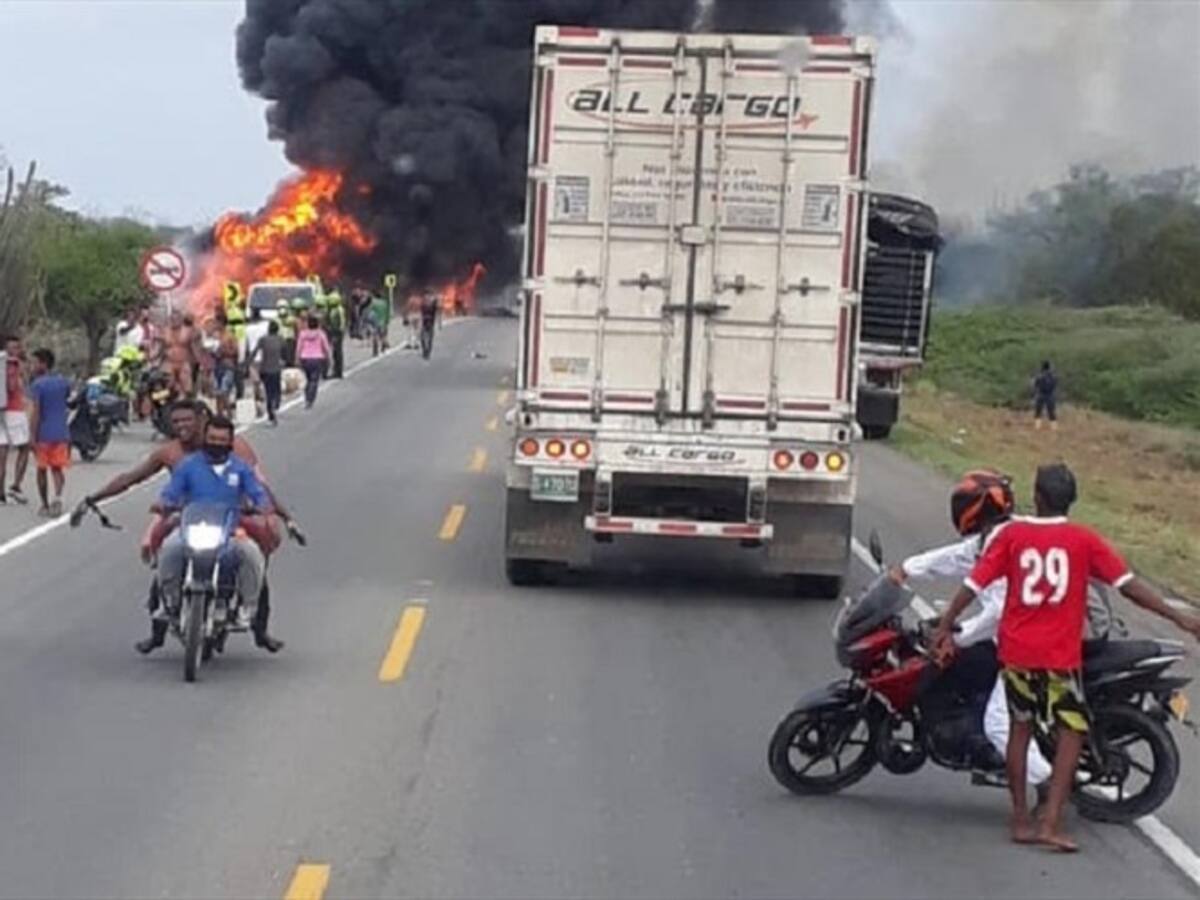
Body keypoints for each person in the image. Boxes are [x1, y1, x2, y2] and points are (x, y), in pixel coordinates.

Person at [933, 464, 1200, 852]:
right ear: (1071, 501)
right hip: (1058, 657)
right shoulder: (1084, 540)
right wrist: (1179, 618)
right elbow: (1130, 588)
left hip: (1017, 653)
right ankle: (1052, 823)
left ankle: (1020, 819)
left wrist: (945, 624)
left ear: (1036, 498)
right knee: (1071, 731)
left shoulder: (1013, 536)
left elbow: (974, 584)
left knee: (1018, 731)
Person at [72, 399, 301, 653]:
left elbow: (259, 488)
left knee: (252, 557)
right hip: (187, 517)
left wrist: (282, 516)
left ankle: (259, 628)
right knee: (166, 555)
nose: (181, 426)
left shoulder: (236, 451)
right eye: (176, 421)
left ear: (203, 420)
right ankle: (159, 626)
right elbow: (134, 479)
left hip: (232, 518)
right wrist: (92, 499)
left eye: (187, 420)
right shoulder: (175, 456)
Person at [889, 471, 1053, 789]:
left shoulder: (1004, 540)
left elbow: (1001, 612)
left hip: (1027, 641)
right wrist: (906, 569)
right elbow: (957, 557)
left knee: (999, 723)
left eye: (963, 503)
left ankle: (1046, 786)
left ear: (976, 508)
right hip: (1024, 632)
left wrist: (956, 636)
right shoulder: (997, 534)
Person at [152, 416, 271, 637]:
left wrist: (261, 507)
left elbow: (258, 493)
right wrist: (164, 503)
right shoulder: (188, 466)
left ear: (230, 441)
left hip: (230, 532)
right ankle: (169, 602)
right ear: (205, 438)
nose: (216, 442)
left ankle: (247, 607)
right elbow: (171, 492)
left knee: (252, 554)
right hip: (191, 529)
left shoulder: (240, 469)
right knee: (169, 549)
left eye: (222, 439)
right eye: (212, 438)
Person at [26, 348, 72, 518]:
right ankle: (58, 498)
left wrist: (31, 435)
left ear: (43, 365)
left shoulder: (37, 385)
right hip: (61, 432)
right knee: (57, 469)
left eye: (34, 363)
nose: (31, 366)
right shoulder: (63, 382)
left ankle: (45, 504)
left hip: (43, 434)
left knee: (41, 469)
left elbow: (36, 412)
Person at [0, 334, 31, 505]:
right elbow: (12, 388)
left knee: (2, 451)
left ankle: (0, 491)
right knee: (25, 447)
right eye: (14, 347)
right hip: (14, 411)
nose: (16, 351)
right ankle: (15, 486)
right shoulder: (12, 365)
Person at [251, 320, 285, 424]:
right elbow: (284, 351)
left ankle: (271, 411)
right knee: (276, 389)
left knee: (268, 391)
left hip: (265, 368)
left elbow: (255, 351)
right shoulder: (280, 339)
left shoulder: (263, 339)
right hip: (276, 368)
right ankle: (275, 404)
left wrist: (249, 362)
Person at [296, 315, 332, 409]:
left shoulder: (303, 334)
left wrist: (297, 358)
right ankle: (310, 399)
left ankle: (307, 395)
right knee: (314, 380)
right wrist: (328, 358)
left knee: (308, 379)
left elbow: (299, 347)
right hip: (317, 358)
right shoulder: (321, 334)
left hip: (305, 358)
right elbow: (326, 347)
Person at [324, 290, 346, 379]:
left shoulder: (337, 310)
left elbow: (339, 323)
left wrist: (336, 333)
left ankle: (338, 371)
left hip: (337, 333)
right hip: (336, 332)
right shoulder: (335, 309)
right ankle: (337, 371)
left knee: (337, 352)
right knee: (335, 352)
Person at [1033, 361, 1058, 430]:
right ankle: (1054, 427)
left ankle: (1037, 426)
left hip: (1041, 394)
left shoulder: (1039, 376)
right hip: (1050, 395)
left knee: (1038, 411)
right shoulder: (1053, 376)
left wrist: (1036, 392)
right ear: (1049, 368)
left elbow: (1035, 385)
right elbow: (1055, 385)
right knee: (1051, 411)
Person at [419, 290, 439, 360]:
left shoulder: (433, 306)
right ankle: (425, 351)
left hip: (430, 324)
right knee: (422, 339)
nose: (427, 298)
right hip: (424, 324)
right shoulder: (423, 305)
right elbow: (420, 311)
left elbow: (436, 308)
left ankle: (428, 353)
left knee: (430, 339)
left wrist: (439, 324)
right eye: (426, 297)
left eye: (428, 297)